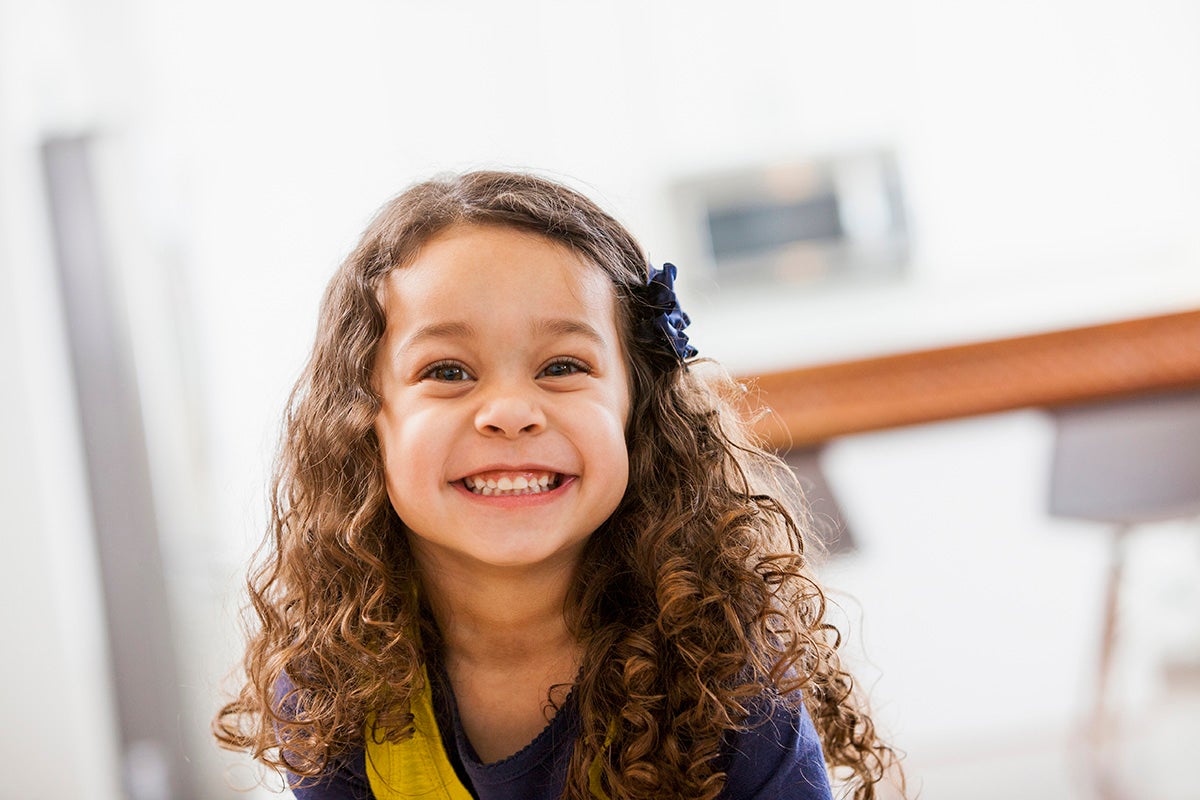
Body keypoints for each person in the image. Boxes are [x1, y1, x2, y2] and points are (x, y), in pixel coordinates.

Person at [214, 170, 901, 800]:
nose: (511, 411)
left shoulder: (723, 667)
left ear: (638, 407)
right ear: (364, 422)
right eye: (447, 371)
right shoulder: (332, 691)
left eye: (563, 365)